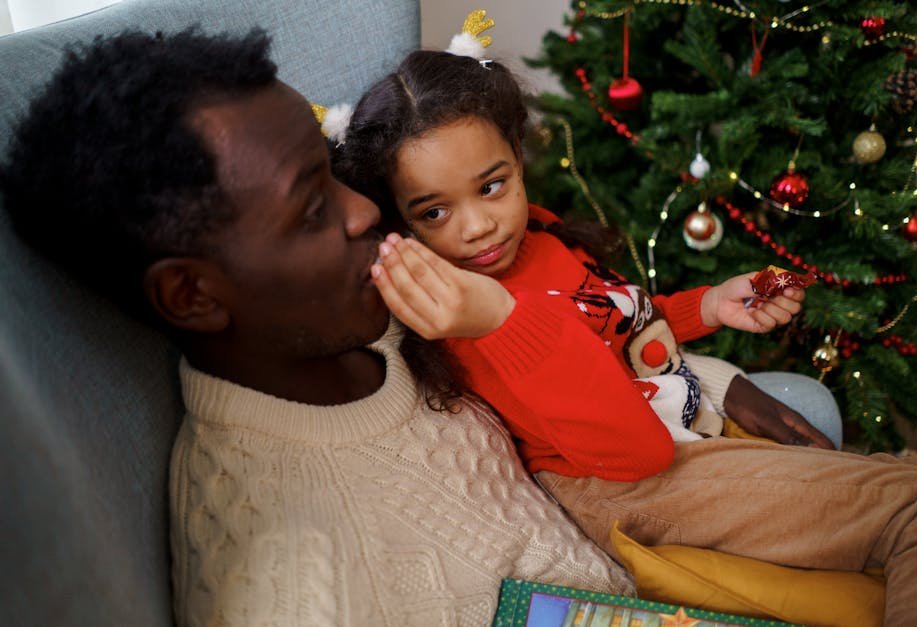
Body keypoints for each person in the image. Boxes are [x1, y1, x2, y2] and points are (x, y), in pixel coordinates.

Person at [0, 29, 636, 626]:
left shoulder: (397, 314)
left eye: (334, 174)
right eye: (312, 209)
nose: (365, 211)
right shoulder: (290, 589)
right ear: (192, 294)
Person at [334, 43, 917, 623]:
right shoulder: (469, 316)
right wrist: (503, 321)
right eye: (434, 212)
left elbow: (615, 324)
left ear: (517, 157)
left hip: (680, 430)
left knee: (913, 489)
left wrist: (706, 306)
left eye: (492, 186)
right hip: (633, 483)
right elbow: (636, 453)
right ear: (401, 221)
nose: (476, 227)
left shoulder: (537, 239)